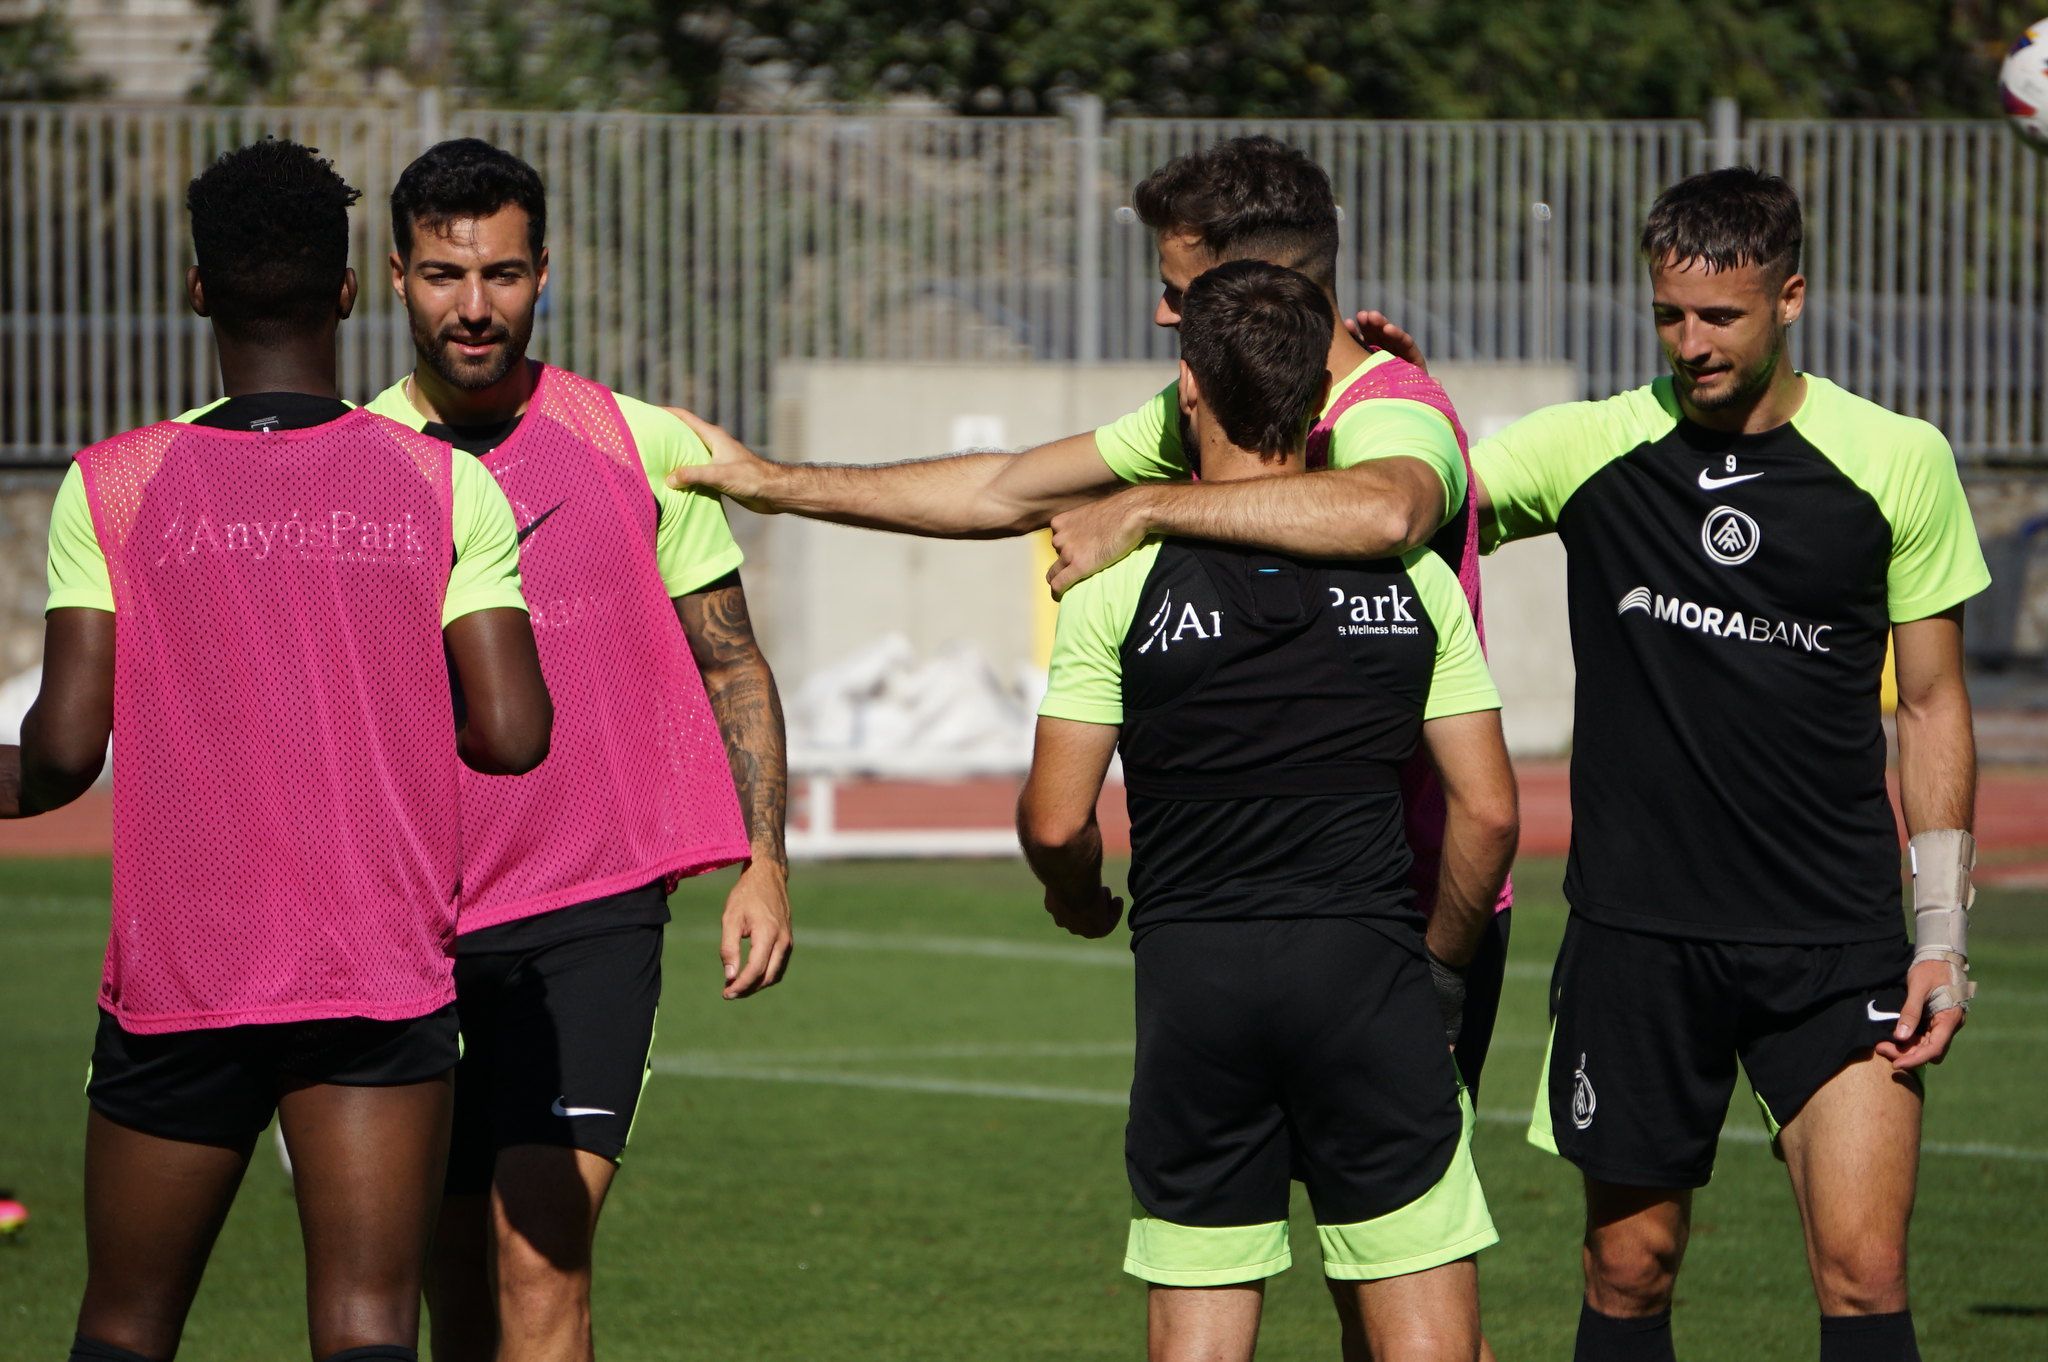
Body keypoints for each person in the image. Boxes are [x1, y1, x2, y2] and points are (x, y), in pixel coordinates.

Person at [667, 135, 1519, 1100]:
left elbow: (1387, 508)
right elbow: (1003, 490)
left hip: (1404, 903)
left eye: (1180, 287)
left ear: (1261, 282)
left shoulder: (1388, 407)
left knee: (1394, 1236)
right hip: (1239, 906)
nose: (1161, 310)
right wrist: (776, 484)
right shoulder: (1206, 407)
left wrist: (1151, 505)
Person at [1334, 168, 1981, 1362]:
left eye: (1720, 317)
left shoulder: (1895, 459)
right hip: (1636, 937)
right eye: (1668, 316)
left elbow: (1933, 707)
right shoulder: (1591, 446)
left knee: (1862, 1270)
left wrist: (1937, 929)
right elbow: (1404, 498)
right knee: (1626, 1270)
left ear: (1788, 296)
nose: (1691, 344)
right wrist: (1392, 399)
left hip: (1831, 933)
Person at [0, 139, 551, 1362]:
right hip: (375, 965)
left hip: (181, 978)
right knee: (365, 1328)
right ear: (353, 292)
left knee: (126, 1327)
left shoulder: (114, 483)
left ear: (196, 290)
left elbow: (61, 754)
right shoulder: (442, 486)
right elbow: (514, 734)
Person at [1017, 259, 1519, 1362]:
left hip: (1196, 988)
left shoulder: (1111, 579)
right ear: (1318, 400)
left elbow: (1056, 821)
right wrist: (1433, 968)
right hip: (1367, 977)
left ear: (1188, 386)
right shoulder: (1415, 578)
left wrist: (1080, 896)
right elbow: (1485, 815)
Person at [365, 139, 791, 1362]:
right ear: (395, 276)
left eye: (501, 272)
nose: (474, 304)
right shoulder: (347, 464)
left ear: (543, 274)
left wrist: (763, 860)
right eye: (445, 274)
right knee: (444, 1290)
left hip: (590, 915)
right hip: (411, 918)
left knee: (541, 1265)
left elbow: (731, 665)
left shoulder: (639, 441)